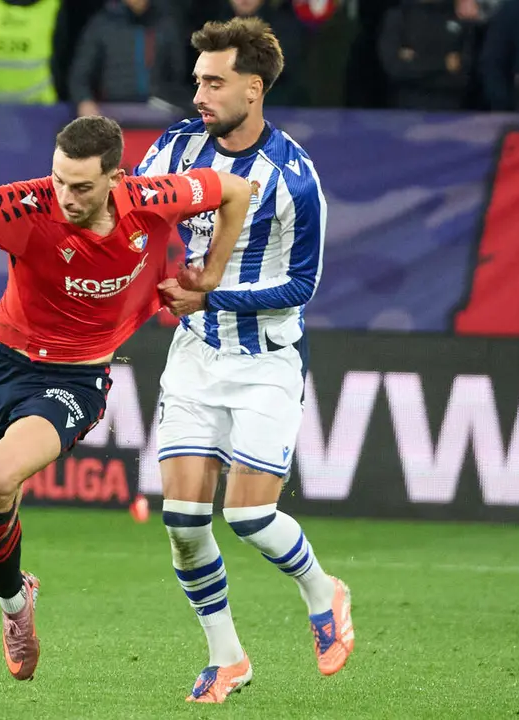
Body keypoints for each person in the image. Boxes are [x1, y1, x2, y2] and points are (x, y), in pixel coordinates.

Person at [0, 114, 254, 681]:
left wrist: (211, 274)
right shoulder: (22, 205)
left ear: (116, 178)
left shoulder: (155, 198)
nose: (65, 196)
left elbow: (235, 190)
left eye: (81, 186)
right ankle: (17, 603)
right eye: (59, 179)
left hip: (74, 378)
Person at [134, 18, 350, 703]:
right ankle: (226, 658)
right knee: (182, 523)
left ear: (253, 89)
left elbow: (303, 285)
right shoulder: (176, 148)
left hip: (265, 364)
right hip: (195, 356)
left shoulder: (293, 178)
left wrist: (211, 294)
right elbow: (134, 216)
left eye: (215, 82)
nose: (199, 94)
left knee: (250, 518)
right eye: (198, 80)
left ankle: (322, 590)